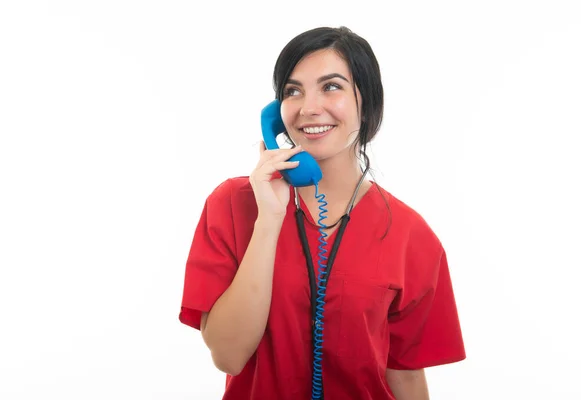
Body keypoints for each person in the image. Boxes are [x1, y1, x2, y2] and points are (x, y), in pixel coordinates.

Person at [178, 26, 466, 400]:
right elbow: (228, 355)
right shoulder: (234, 204)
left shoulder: (411, 234)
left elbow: (406, 378)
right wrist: (268, 220)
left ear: (369, 103)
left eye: (331, 86)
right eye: (292, 91)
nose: (308, 108)